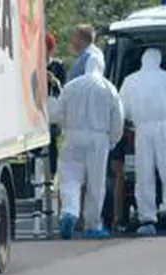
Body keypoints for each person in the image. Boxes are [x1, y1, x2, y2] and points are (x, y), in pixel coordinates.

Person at [52, 57, 124, 240]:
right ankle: (93, 224)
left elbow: (58, 113)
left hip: (73, 136)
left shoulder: (71, 86)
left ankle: (68, 212)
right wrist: (113, 140)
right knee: (95, 183)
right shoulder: (108, 88)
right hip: (99, 139)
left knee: (69, 178)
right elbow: (118, 118)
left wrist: (66, 128)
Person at [119, 48, 166, 236]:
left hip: (141, 129)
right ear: (158, 60)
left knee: (144, 174)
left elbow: (123, 109)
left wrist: (136, 119)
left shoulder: (130, 80)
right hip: (163, 127)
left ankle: (147, 218)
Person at [45, 31, 67, 176]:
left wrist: (54, 81)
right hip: (36, 109)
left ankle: (52, 174)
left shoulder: (57, 65)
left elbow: (64, 89)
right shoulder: (32, 64)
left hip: (51, 110)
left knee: (52, 141)